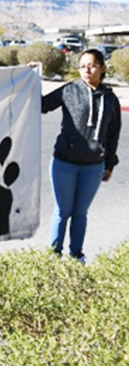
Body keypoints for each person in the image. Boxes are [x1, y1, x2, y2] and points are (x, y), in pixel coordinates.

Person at [42, 48, 121, 263]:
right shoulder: (69, 90)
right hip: (64, 163)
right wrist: (30, 78)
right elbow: (41, 105)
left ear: (102, 68)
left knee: (80, 213)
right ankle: (53, 257)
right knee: (63, 210)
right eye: (82, 65)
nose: (86, 69)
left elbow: (113, 135)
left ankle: (76, 255)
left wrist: (109, 164)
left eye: (92, 64)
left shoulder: (111, 99)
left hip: (93, 166)